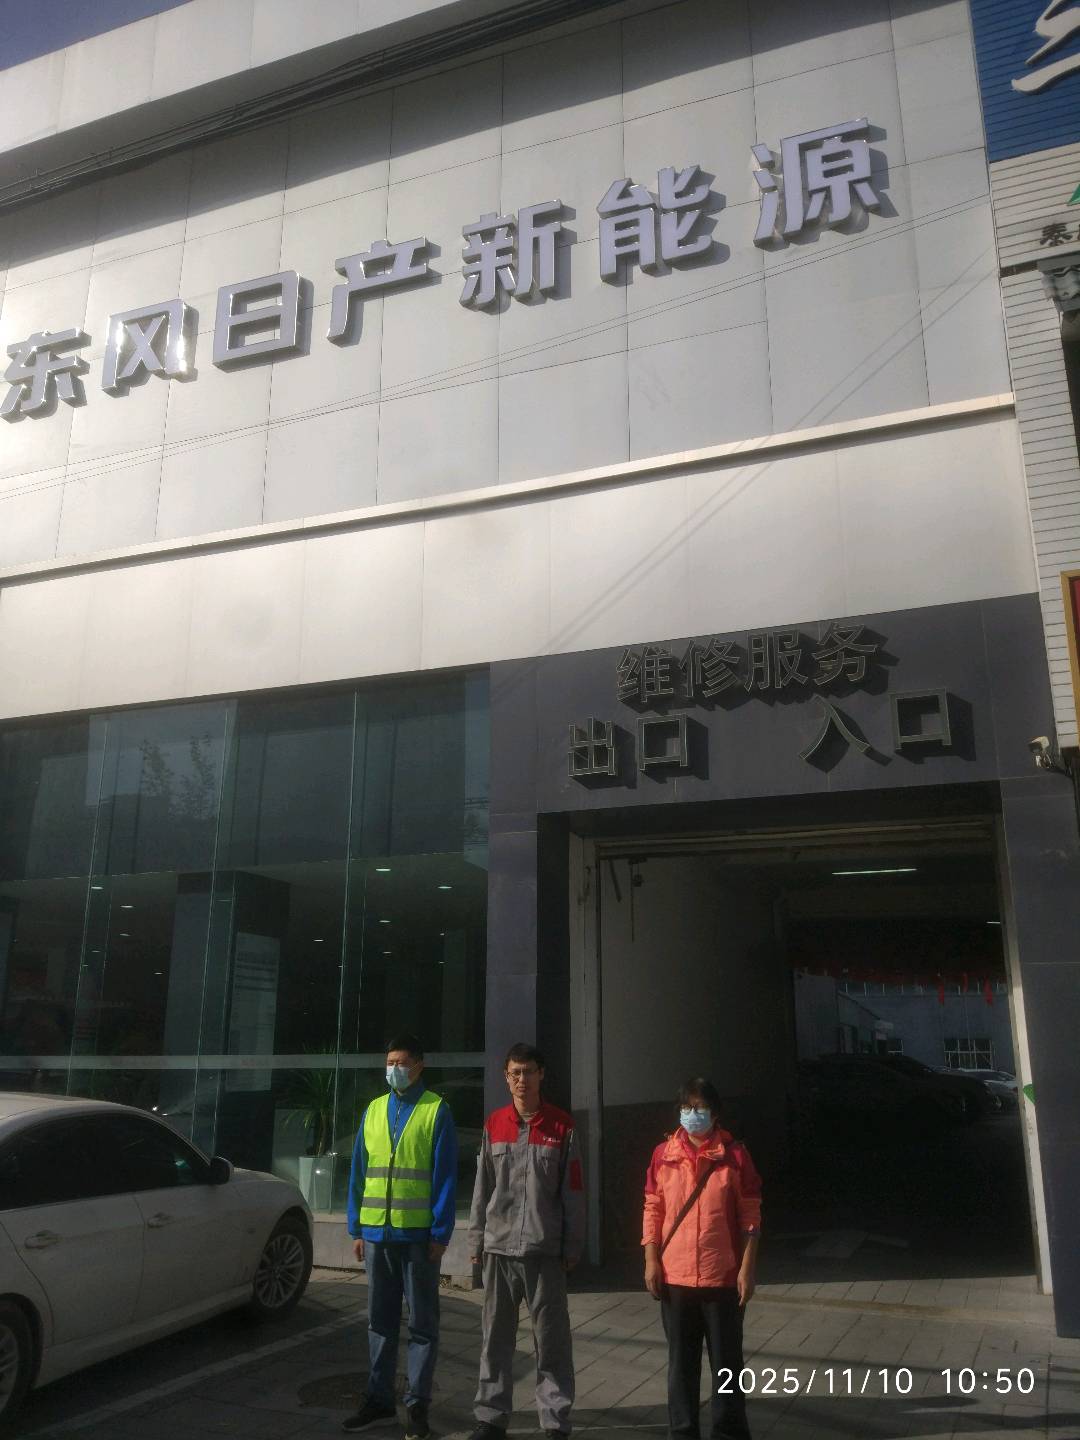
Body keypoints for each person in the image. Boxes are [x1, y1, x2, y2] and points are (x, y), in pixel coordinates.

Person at [342, 1033, 458, 1438]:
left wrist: (440, 1232)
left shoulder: (436, 1110)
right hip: (376, 1235)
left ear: (419, 1066)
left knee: (422, 1325)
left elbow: (445, 1177)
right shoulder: (374, 1110)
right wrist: (356, 1228)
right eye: (390, 1062)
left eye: (402, 1062)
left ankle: (417, 1406)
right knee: (379, 1322)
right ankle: (378, 1401)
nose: (394, 1069)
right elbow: (359, 1172)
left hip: (418, 1238)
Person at [467, 1043, 585, 1439]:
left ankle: (555, 1421)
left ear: (541, 1074)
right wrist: (476, 1241)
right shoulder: (494, 1124)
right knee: (495, 1340)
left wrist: (572, 1245)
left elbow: (573, 1192)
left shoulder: (562, 1127)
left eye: (529, 1071)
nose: (522, 1079)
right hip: (498, 1249)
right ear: (506, 1077)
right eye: (515, 1073)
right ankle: (490, 1417)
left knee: (551, 1341)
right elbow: (482, 1188)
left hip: (543, 1251)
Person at [642, 1078, 761, 1440]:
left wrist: (747, 1269)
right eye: (686, 1107)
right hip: (675, 1278)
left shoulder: (735, 1156)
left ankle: (729, 1432)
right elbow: (652, 1208)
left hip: (722, 1277)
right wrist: (651, 1260)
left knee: (727, 1365)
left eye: (700, 1108)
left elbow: (751, 1215)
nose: (692, 1114)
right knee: (681, 1365)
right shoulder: (663, 1154)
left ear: (715, 1113)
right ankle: (683, 1432)